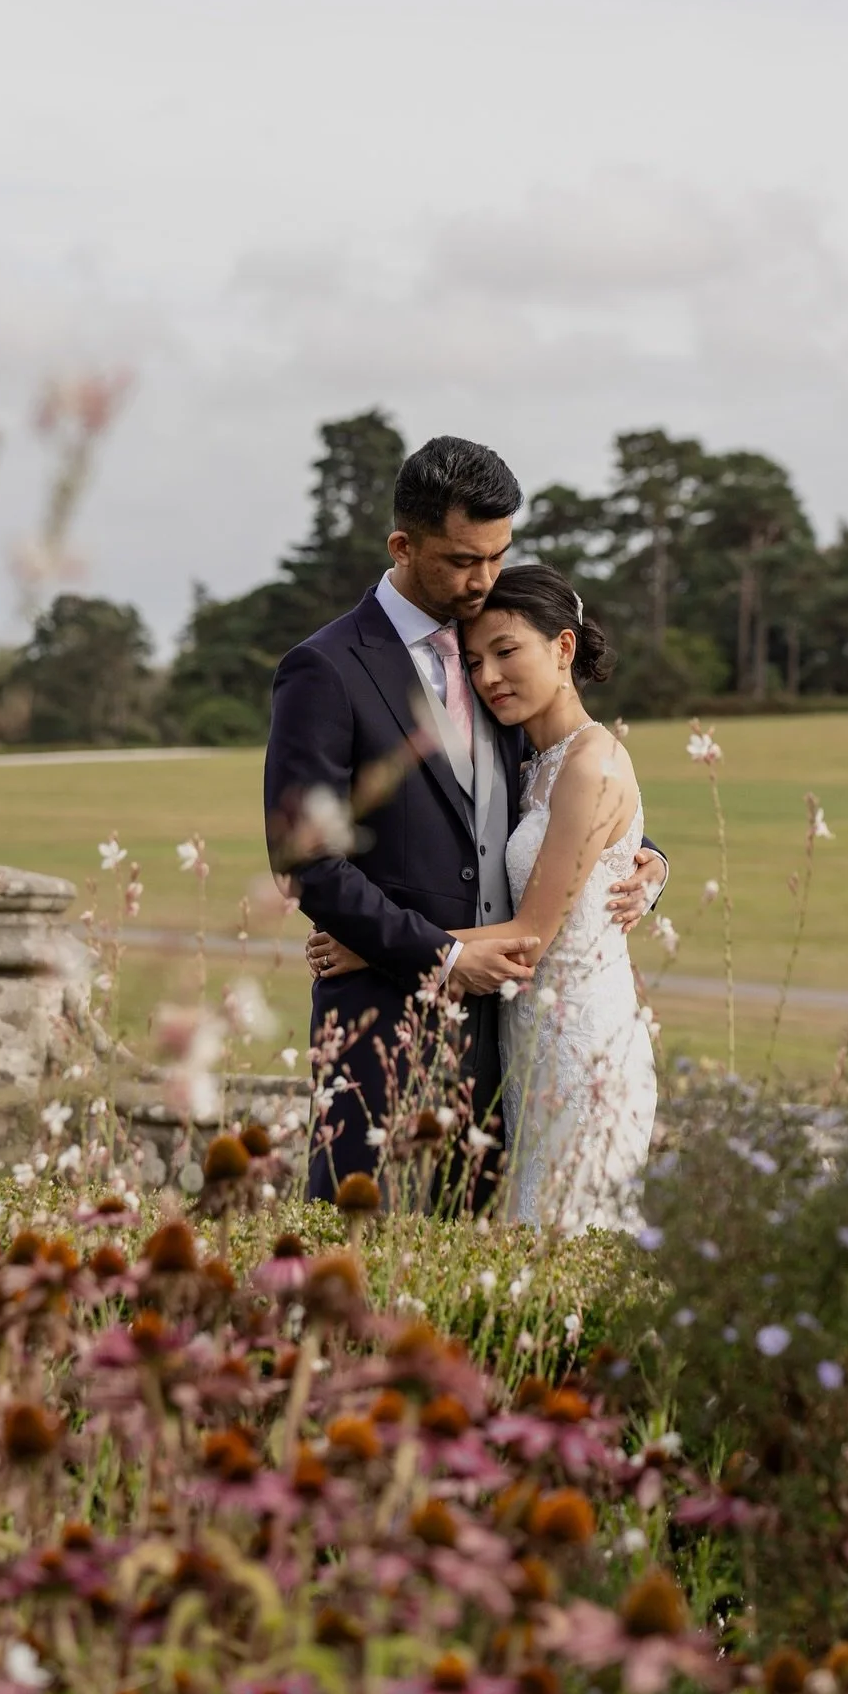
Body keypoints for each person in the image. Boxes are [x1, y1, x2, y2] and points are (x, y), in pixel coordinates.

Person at [264, 437, 666, 1202]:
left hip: (510, 1042)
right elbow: (308, 861)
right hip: (384, 1029)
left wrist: (647, 861)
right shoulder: (326, 670)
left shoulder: (502, 662)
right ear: (403, 545)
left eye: (497, 554)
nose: (483, 579)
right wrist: (434, 958)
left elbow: (565, 793)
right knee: (359, 1269)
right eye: (460, 560)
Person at [310, 562, 657, 1232]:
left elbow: (530, 932)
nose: (489, 676)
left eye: (506, 652)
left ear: (564, 646)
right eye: (473, 660)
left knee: (565, 1243)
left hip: (582, 1045)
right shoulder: (534, 762)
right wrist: (654, 862)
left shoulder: (590, 763)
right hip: (528, 1044)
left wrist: (374, 948)